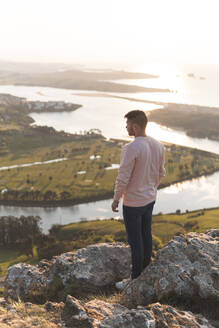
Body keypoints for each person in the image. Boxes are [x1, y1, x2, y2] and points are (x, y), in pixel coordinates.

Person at [111, 110, 165, 290]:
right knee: (146, 235)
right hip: (150, 199)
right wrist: (150, 188)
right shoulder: (158, 145)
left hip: (133, 203)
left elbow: (123, 178)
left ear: (135, 126)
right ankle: (146, 271)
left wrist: (116, 199)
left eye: (127, 125)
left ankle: (135, 280)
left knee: (135, 241)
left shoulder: (131, 148)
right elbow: (161, 173)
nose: (126, 128)